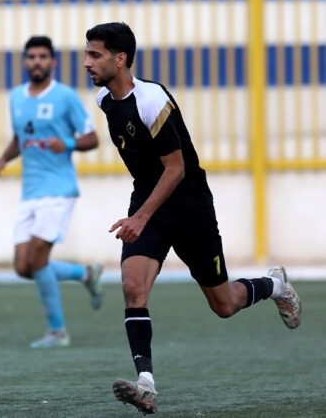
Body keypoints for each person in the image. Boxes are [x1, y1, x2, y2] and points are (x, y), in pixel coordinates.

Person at [83, 22, 302, 414]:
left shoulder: (152, 100)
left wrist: (140, 218)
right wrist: (143, 215)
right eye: (87, 53)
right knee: (133, 288)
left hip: (189, 206)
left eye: (95, 54)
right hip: (148, 201)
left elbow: (176, 169)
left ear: (120, 58)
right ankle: (146, 384)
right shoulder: (104, 99)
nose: (86, 62)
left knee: (224, 304)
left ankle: (275, 285)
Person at [0, 35, 104, 349]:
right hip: (30, 193)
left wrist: (65, 143)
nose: (36, 62)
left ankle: (57, 331)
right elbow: (20, 138)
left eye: (42, 57)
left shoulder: (65, 97)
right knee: (23, 266)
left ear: (52, 62)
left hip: (58, 190)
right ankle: (86, 274)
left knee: (38, 257)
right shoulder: (16, 97)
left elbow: (92, 138)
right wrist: (3, 159)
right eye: (31, 57)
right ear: (25, 62)